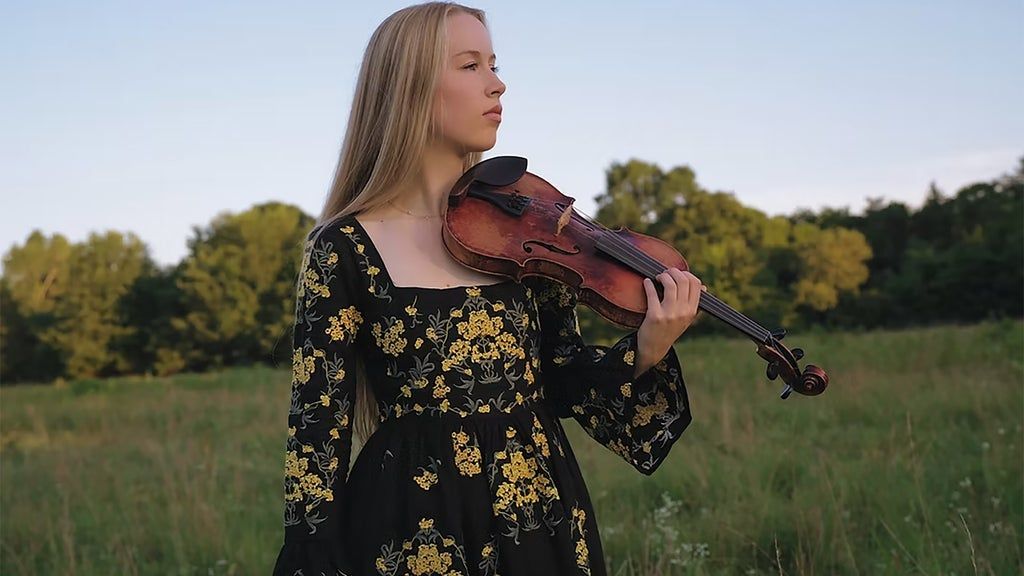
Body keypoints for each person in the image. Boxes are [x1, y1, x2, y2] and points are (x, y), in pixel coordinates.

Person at [272, 3, 706, 574]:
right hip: (411, 527)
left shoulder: (521, 233)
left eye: (493, 65)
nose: (497, 84)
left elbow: (564, 376)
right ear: (409, 86)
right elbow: (316, 434)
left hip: (538, 516)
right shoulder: (344, 247)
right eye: (470, 65)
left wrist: (647, 347)